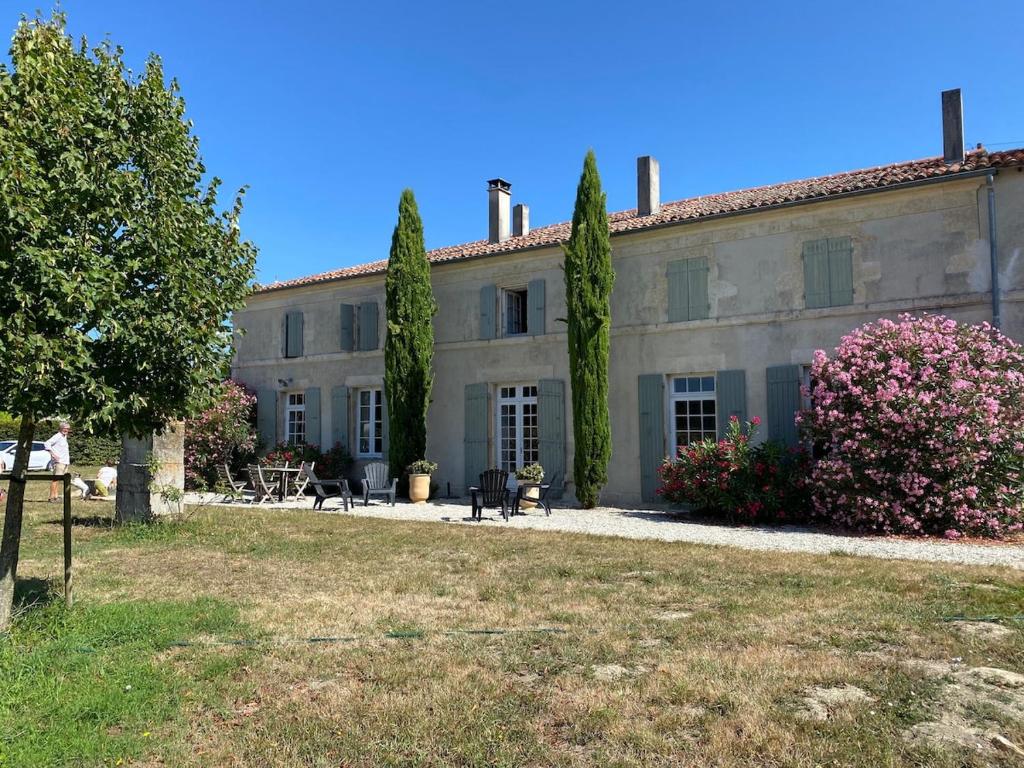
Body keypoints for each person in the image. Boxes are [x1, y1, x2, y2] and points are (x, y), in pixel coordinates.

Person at [44, 421, 71, 503]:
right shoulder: (57, 436)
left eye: (67, 429)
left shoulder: (64, 437)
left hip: (65, 462)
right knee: (55, 480)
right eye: (65, 428)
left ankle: (56, 496)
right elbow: (47, 443)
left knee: (59, 480)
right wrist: (53, 454)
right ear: (60, 428)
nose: (66, 430)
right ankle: (51, 497)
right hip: (59, 462)